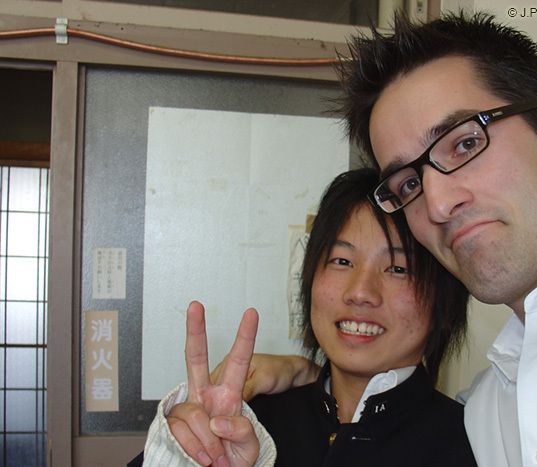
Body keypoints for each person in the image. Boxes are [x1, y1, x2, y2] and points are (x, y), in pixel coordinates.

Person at [243, 11, 537, 467]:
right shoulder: (488, 413)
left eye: (464, 143)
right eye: (408, 184)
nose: (438, 204)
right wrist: (306, 381)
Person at [140, 168, 476, 466]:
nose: (360, 292)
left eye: (398, 269)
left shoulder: (475, 445)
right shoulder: (246, 421)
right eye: (342, 261)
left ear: (445, 301)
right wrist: (188, 456)